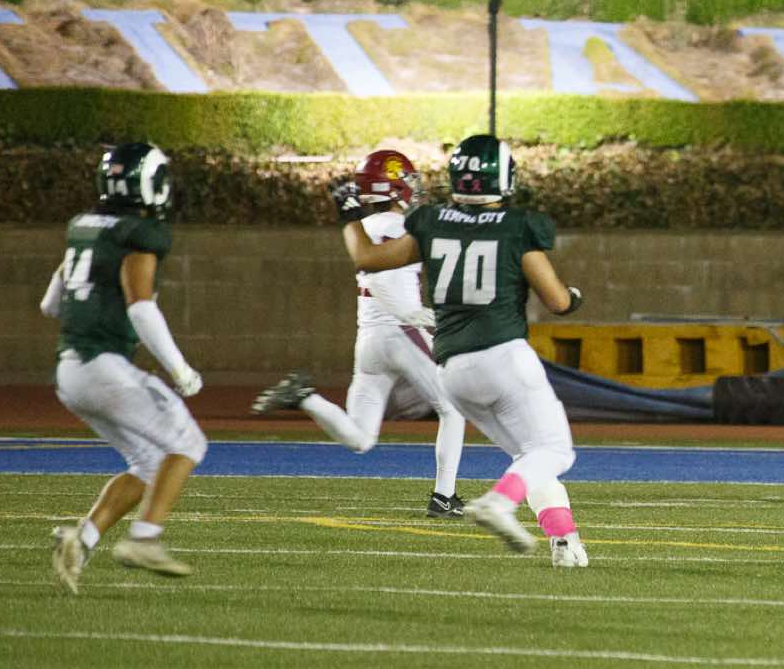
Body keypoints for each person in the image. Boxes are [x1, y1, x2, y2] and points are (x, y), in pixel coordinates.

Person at [336, 135, 591, 565]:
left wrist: (347, 216)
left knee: (529, 455)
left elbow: (365, 257)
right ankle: (498, 503)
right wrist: (574, 298)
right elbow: (557, 301)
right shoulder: (517, 225)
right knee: (555, 451)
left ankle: (565, 543)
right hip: (503, 355)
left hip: (453, 369)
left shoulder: (433, 222)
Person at [252, 149, 470, 518]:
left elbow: (371, 269)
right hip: (401, 331)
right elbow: (378, 275)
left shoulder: (362, 229)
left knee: (362, 438)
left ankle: (305, 397)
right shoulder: (402, 227)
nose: (414, 187)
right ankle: (444, 498)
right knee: (453, 407)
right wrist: (406, 311)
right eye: (407, 180)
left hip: (369, 339)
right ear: (393, 187)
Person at [45, 142, 208, 592]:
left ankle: (82, 539)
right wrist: (180, 370)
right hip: (104, 367)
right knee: (189, 443)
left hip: (69, 369)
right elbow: (141, 309)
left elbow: (50, 303)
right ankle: (145, 539)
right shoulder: (140, 233)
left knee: (149, 461)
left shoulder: (84, 228)